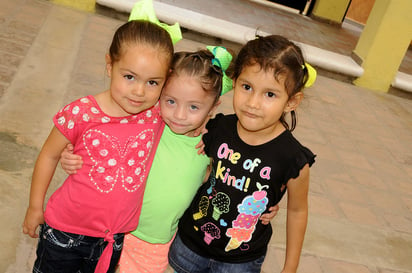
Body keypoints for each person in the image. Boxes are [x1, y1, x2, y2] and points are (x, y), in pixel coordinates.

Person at [60, 47, 280, 273]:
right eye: (171, 101)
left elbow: (228, 180)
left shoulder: (211, 143)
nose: (180, 115)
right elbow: (102, 136)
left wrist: (263, 203)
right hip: (109, 229)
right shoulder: (147, 121)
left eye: (194, 107)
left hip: (156, 245)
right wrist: (71, 155)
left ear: (213, 108)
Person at [22, 20, 175, 273]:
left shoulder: (158, 114)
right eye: (129, 77)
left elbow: (191, 109)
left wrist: (203, 131)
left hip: (112, 239)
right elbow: (49, 155)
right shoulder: (81, 113)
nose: (139, 91)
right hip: (64, 233)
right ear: (109, 65)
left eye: (152, 82)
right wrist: (35, 206)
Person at [167, 35, 317, 273]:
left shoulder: (293, 159)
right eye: (247, 87)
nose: (253, 103)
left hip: (240, 262)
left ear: (292, 101)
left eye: (270, 94)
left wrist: (290, 267)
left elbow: (298, 211)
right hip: (190, 247)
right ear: (234, 82)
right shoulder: (217, 128)